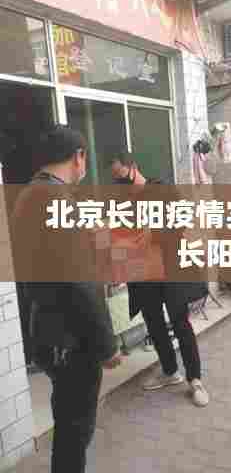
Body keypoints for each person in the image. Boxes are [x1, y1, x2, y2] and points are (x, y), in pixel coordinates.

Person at [11, 126, 122, 473]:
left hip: (46, 329)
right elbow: (80, 282)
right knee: (75, 431)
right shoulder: (57, 200)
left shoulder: (29, 195)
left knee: (68, 421)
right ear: (78, 156)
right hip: (72, 339)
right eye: (85, 158)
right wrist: (107, 346)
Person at [111, 156, 210, 407]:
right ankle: (170, 371)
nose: (120, 183)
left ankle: (195, 379)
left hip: (169, 271)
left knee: (180, 323)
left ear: (133, 168)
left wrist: (153, 234)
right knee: (154, 325)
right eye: (115, 179)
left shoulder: (162, 189)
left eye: (122, 176)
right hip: (143, 275)